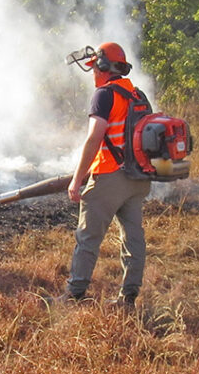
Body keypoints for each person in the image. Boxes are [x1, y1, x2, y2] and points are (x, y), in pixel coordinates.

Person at [60, 41, 151, 309]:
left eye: (94, 69)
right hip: (138, 178)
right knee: (134, 238)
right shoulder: (137, 94)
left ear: (102, 67)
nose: (93, 75)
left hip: (110, 176)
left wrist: (77, 181)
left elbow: (94, 138)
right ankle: (128, 298)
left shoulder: (104, 94)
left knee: (87, 238)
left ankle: (74, 296)